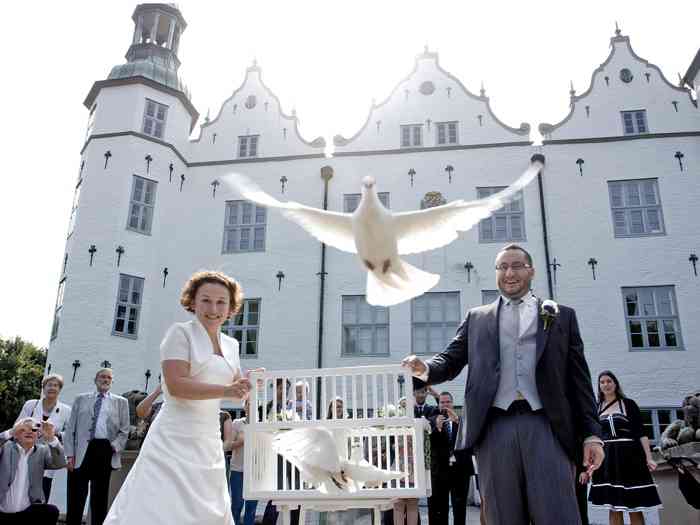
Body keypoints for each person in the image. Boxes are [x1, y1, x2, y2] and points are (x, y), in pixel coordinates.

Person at [403, 243, 604, 525]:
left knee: (557, 513)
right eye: (503, 267)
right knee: (502, 515)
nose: (510, 273)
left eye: (517, 265)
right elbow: (450, 360)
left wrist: (592, 435)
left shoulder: (562, 316)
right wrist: (425, 369)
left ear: (531, 270)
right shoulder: (477, 318)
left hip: (548, 425)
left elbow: (579, 381)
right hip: (494, 427)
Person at [102, 270, 253, 525]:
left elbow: (237, 388)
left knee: (207, 510)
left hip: (208, 441)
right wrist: (227, 391)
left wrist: (250, 386)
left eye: (221, 302)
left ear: (230, 308)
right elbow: (176, 386)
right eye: (205, 300)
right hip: (173, 437)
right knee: (160, 506)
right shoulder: (180, 334)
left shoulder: (232, 345)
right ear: (192, 302)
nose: (213, 308)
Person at [587, 371, 662, 525]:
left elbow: (641, 433)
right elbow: (593, 436)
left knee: (634, 504)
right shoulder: (596, 407)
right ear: (599, 386)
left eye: (609, 381)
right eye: (602, 382)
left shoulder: (628, 404)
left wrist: (649, 458)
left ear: (615, 384)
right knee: (613, 506)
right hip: (607, 459)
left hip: (630, 457)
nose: (606, 384)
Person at [64, 368, 130, 525]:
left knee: (99, 498)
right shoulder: (81, 399)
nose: (105, 379)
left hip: (105, 450)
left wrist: (114, 447)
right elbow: (70, 428)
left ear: (112, 382)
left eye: (109, 377)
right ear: (95, 379)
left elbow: (124, 430)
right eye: (102, 376)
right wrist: (70, 455)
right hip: (81, 451)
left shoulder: (121, 402)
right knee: (75, 496)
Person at [1, 374, 71, 500]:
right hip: (25, 452)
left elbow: (70, 435)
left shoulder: (66, 410)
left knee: (41, 492)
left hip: (47, 457)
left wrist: (55, 433)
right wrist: (31, 429)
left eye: (56, 385)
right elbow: (17, 425)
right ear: (43, 388)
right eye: (49, 385)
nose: (52, 388)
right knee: (18, 487)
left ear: (60, 389)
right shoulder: (31, 405)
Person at [0, 418, 66, 524]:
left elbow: (60, 463)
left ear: (38, 436)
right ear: (16, 435)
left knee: (51, 511)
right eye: (23, 429)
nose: (29, 431)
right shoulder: (5, 448)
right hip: (2, 512)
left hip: (27, 513)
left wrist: (52, 440)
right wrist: (10, 432)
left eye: (34, 430)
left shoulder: (42, 451)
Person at [428, 392, 473, 525]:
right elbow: (428, 442)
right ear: (439, 404)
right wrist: (437, 427)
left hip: (459, 471)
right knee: (440, 508)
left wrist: (457, 422)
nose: (445, 404)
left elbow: (468, 441)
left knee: (459, 508)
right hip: (440, 471)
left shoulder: (462, 421)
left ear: (452, 403)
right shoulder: (433, 421)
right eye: (442, 402)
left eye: (448, 402)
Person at [229, 401, 257, 525]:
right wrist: (240, 441)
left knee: (251, 509)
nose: (250, 406)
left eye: (253, 403)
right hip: (237, 470)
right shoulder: (236, 423)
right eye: (248, 403)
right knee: (236, 506)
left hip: (254, 472)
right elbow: (228, 446)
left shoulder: (261, 425)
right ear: (245, 406)